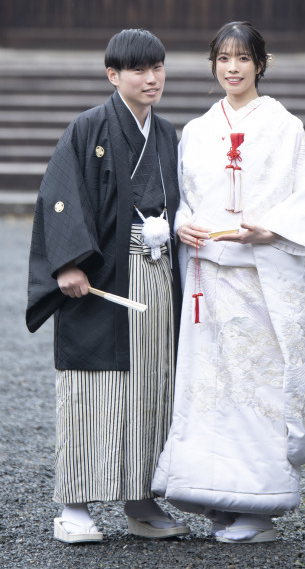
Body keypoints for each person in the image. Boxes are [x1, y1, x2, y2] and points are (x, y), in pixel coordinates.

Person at [152, 20, 305, 544]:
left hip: (259, 275)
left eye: (243, 58)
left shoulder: (284, 126)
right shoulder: (197, 130)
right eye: (223, 59)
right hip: (210, 279)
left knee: (258, 389)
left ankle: (259, 508)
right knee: (207, 388)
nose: (233, 68)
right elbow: (182, 199)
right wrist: (182, 224)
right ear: (213, 65)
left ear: (260, 65)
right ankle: (213, 496)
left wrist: (274, 227)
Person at [26, 28, 190, 544]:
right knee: (93, 391)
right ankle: (73, 504)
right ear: (112, 75)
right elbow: (59, 196)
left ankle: (141, 501)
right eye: (138, 69)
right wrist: (68, 264)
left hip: (157, 278)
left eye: (157, 67)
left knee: (152, 390)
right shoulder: (88, 129)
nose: (151, 78)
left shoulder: (167, 135)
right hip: (101, 281)